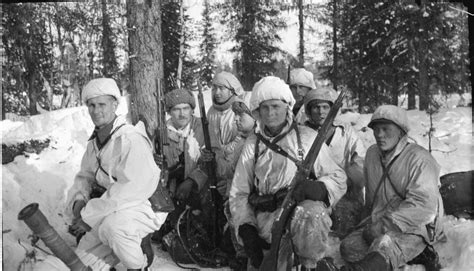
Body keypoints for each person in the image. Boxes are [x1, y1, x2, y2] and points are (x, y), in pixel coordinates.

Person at [229, 76, 347, 270]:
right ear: (257, 111)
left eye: (276, 106)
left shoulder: (307, 138)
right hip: (265, 219)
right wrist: (246, 227)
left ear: (287, 106)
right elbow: (239, 192)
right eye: (264, 108)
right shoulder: (253, 144)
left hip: (301, 220)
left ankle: (311, 265)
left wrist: (318, 188)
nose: (270, 113)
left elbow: (338, 178)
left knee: (311, 213)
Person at [66, 78, 168, 270]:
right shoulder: (94, 144)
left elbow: (132, 188)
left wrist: (89, 217)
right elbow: (85, 177)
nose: (97, 111)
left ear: (114, 104)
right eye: (92, 106)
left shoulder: (130, 138)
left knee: (113, 228)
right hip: (112, 206)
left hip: (144, 204)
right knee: (81, 260)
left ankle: (139, 264)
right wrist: (79, 201)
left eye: (102, 104)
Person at [337, 105, 444, 271]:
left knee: (383, 246)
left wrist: (383, 226)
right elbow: (372, 199)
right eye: (376, 129)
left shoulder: (420, 159)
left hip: (416, 225)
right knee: (349, 247)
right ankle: (411, 255)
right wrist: (365, 224)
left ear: (401, 131)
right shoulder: (372, 154)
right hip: (382, 219)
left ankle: (421, 251)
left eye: (386, 129)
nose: (379, 135)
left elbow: (424, 208)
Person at [302, 87, 366, 237]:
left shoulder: (346, 131)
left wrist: (352, 179)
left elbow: (360, 160)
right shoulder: (302, 133)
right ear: (309, 110)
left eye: (325, 107)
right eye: (316, 107)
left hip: (347, 193)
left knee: (347, 231)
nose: (321, 111)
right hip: (315, 192)